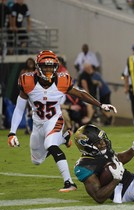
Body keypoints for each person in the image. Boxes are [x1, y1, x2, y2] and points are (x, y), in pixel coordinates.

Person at [7, 50, 117, 192]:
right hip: (37, 123)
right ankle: (64, 139)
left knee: (50, 144)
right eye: (45, 66)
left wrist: (100, 105)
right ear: (37, 67)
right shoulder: (27, 81)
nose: (48, 70)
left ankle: (69, 182)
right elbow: (19, 108)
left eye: (51, 66)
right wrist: (12, 132)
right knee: (37, 160)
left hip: (54, 120)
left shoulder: (62, 80)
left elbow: (80, 94)